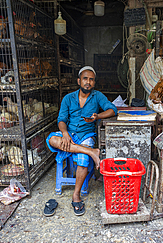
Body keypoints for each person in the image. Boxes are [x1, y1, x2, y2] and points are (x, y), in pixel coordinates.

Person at [45, 66, 117, 216]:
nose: (88, 82)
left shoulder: (97, 96)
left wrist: (97, 117)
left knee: (83, 160)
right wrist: (64, 133)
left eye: (91, 79)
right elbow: (62, 119)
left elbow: (113, 110)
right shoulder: (68, 98)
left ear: (94, 83)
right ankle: (92, 151)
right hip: (69, 133)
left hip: (86, 135)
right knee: (52, 139)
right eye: (85, 78)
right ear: (79, 81)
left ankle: (76, 195)